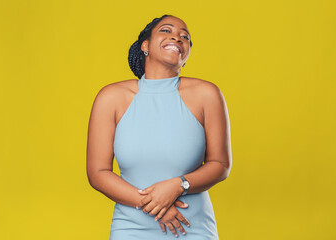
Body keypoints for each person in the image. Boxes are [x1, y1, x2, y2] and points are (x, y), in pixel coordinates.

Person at [86, 14, 232, 239]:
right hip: (131, 229)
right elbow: (98, 173)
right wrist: (154, 205)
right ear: (145, 45)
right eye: (166, 30)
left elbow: (220, 164)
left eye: (185, 37)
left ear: (186, 54)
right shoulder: (111, 97)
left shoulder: (207, 94)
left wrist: (179, 185)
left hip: (192, 228)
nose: (177, 37)